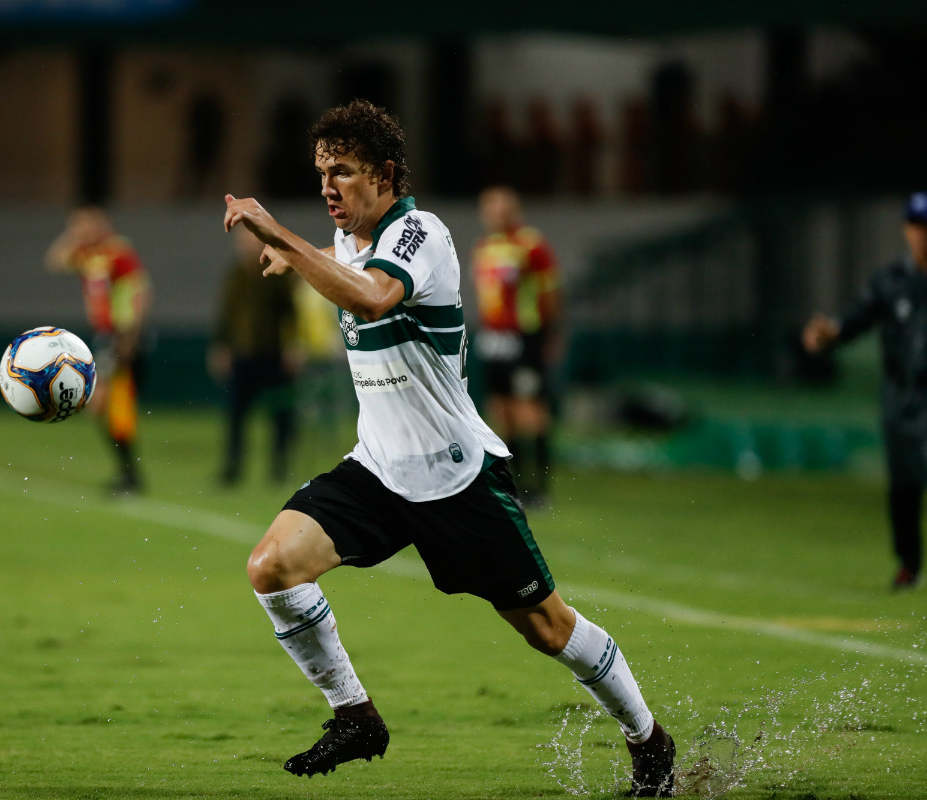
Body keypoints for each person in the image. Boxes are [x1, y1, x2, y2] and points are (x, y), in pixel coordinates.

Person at [223, 100, 676, 796]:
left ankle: (649, 740)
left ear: (385, 175)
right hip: (379, 469)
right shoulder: (346, 239)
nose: (328, 187)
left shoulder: (421, 233)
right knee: (272, 566)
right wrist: (300, 252)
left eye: (343, 172)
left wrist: (275, 232)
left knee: (549, 629)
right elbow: (346, 264)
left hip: (455, 475)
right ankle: (355, 716)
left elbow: (374, 298)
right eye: (322, 173)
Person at [802, 191, 927, 591]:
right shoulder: (890, 281)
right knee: (905, 485)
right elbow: (856, 318)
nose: (923, 235)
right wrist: (831, 332)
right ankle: (909, 563)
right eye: (916, 226)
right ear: (906, 230)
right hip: (901, 397)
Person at [45, 207, 150, 495]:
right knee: (104, 406)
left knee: (108, 404)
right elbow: (54, 261)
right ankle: (129, 474)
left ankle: (130, 477)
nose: (83, 229)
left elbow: (140, 291)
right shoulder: (87, 255)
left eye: (86, 223)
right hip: (105, 336)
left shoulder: (117, 251)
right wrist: (73, 235)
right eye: (77, 225)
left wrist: (131, 335)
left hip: (121, 335)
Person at [471, 185, 563, 507]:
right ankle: (514, 485)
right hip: (493, 339)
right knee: (501, 410)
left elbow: (549, 292)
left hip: (525, 337)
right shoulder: (484, 247)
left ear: (513, 210)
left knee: (530, 410)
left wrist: (550, 335)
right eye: (488, 207)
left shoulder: (531, 244)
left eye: (499, 207)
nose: (493, 214)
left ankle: (540, 488)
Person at [208, 226, 300, 485]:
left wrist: (293, 346)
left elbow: (290, 311)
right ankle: (233, 469)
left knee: (281, 415)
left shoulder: (275, 272)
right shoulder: (235, 273)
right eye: (244, 242)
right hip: (242, 355)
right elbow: (226, 314)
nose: (248, 247)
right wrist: (221, 347)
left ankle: (279, 468)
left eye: (252, 242)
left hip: (273, 354)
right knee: (235, 415)